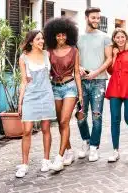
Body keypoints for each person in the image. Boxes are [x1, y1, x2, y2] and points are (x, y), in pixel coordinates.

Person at [43, 17, 83, 171]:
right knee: (61, 122)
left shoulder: (74, 50)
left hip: (70, 87)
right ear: (53, 35)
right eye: (58, 35)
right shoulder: (49, 52)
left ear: (68, 35)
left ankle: (59, 158)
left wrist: (80, 94)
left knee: (65, 120)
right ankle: (69, 151)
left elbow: (77, 73)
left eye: (64, 35)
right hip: (54, 88)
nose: (61, 37)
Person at [16, 30, 56, 178]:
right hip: (31, 96)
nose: (42, 41)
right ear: (31, 41)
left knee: (46, 128)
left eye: (42, 39)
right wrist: (20, 102)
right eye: (38, 39)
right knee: (27, 130)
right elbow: (23, 81)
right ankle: (24, 164)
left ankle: (46, 160)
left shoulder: (47, 55)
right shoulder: (23, 58)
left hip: (46, 95)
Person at [77, 7, 112, 162]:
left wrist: (96, 72)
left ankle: (94, 147)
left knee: (97, 116)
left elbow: (109, 59)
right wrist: (79, 68)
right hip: (81, 81)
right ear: (86, 18)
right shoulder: (78, 37)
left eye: (98, 18)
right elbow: (74, 58)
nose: (97, 20)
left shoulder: (105, 37)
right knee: (80, 116)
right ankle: (86, 140)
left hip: (99, 81)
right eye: (94, 18)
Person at [105, 28, 128, 162]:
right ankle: (115, 151)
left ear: (126, 38)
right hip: (115, 88)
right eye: (117, 37)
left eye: (122, 37)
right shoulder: (114, 53)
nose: (120, 39)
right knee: (115, 119)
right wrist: (114, 56)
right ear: (114, 39)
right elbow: (110, 71)